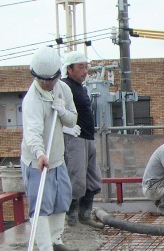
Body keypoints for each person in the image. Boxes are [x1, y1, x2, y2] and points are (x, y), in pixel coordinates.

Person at [20, 46, 79, 251]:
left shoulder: (63, 90)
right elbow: (32, 132)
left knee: (61, 200)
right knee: (41, 206)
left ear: (58, 75)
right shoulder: (32, 100)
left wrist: (61, 109)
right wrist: (39, 154)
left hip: (57, 157)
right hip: (38, 160)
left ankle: (56, 240)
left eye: (50, 80)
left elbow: (72, 119)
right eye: (42, 80)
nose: (46, 83)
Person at [61, 50, 104, 229]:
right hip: (74, 138)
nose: (85, 71)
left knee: (93, 180)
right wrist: (66, 128)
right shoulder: (63, 86)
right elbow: (56, 111)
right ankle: (71, 219)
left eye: (86, 67)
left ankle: (84, 215)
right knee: (76, 180)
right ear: (69, 69)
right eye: (80, 67)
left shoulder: (82, 87)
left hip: (88, 137)